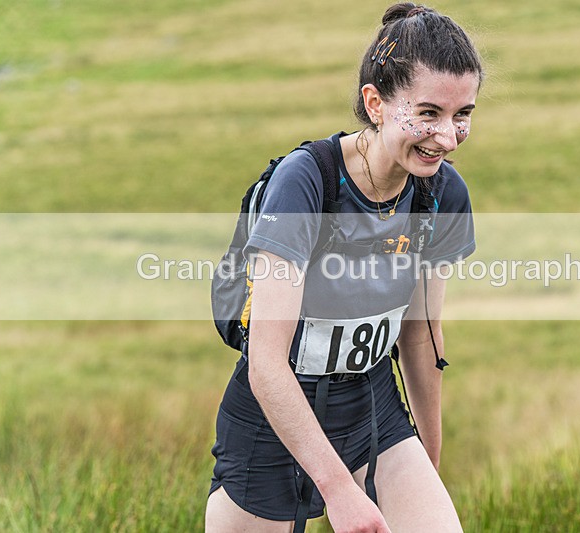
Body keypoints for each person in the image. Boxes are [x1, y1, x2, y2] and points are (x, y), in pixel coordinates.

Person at [205, 3, 483, 532]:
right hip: (276, 417)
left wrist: (430, 459)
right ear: (374, 103)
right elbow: (266, 365)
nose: (447, 138)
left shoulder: (443, 191)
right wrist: (340, 492)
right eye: (428, 113)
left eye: (462, 114)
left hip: (371, 401)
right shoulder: (304, 183)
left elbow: (420, 337)